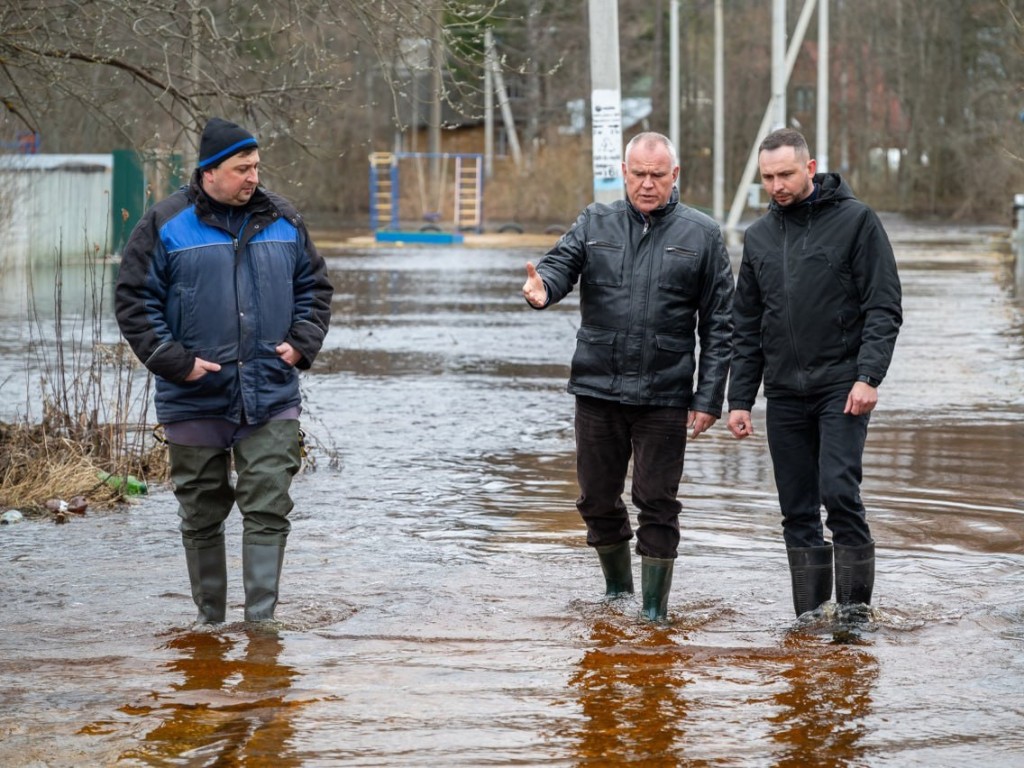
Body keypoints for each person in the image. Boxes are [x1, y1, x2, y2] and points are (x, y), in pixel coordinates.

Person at [115, 117, 334, 624]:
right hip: (193, 396)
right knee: (201, 514)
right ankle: (209, 624)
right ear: (209, 172)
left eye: (256, 166)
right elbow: (133, 303)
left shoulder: (285, 219)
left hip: (271, 393)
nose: (253, 177)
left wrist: (302, 344)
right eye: (242, 168)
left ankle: (262, 626)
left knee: (269, 506)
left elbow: (315, 290)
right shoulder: (165, 224)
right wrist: (176, 363)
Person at [522, 132, 734, 621]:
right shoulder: (595, 221)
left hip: (665, 393)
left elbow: (720, 324)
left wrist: (708, 399)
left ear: (674, 176)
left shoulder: (701, 234)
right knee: (596, 499)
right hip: (598, 388)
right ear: (624, 172)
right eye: (638, 173)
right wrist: (543, 289)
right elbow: (558, 266)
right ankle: (618, 593)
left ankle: (655, 612)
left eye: (657, 175)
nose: (646, 184)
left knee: (656, 502)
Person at [726, 128, 902, 618]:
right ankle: (809, 617)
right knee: (797, 508)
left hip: (842, 387)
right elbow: (747, 324)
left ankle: (853, 616)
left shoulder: (857, 221)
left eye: (785, 174)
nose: (777, 185)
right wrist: (739, 399)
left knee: (839, 492)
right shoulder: (759, 237)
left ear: (810, 166)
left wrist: (870, 376)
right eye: (767, 177)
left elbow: (883, 306)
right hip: (783, 393)